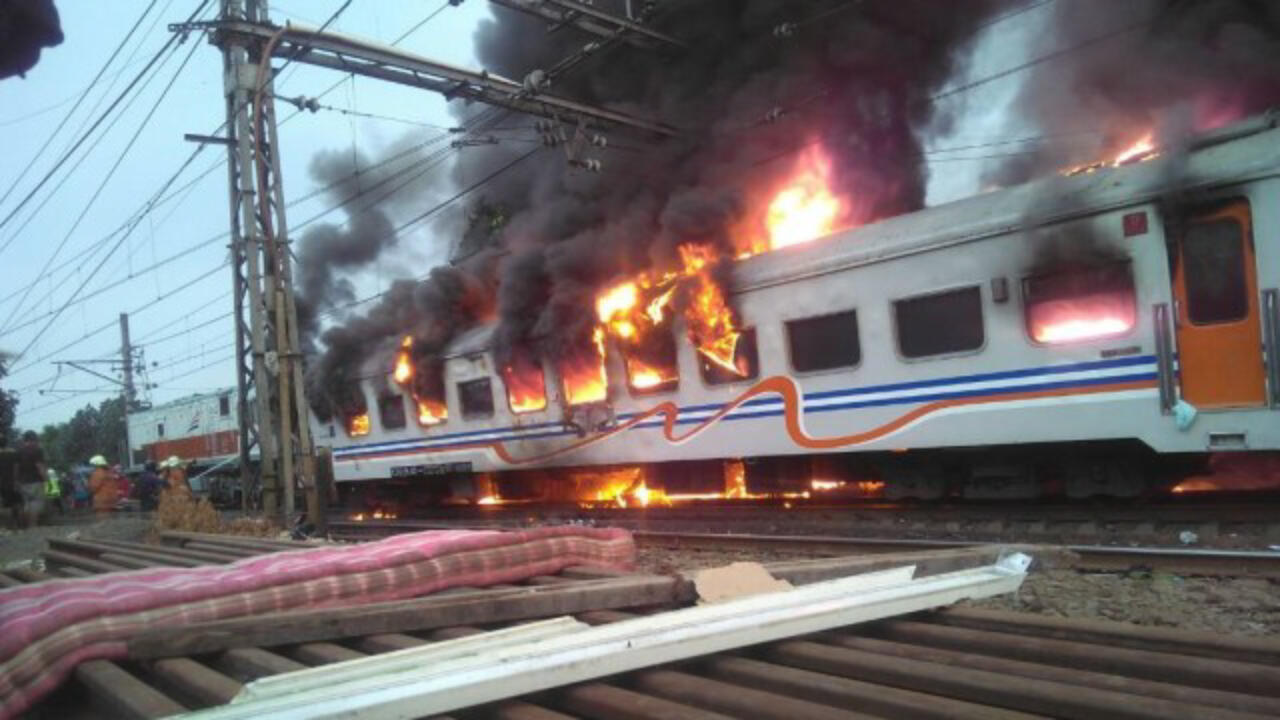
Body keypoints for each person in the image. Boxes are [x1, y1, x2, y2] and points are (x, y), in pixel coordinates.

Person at [15, 431, 48, 528]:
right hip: (35, 481)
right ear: (33, 440)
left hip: (23, 482)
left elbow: (16, 468)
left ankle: (24, 526)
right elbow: (40, 466)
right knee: (36, 503)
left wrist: (16, 480)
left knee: (26, 504)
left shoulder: (18, 451)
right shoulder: (37, 450)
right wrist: (46, 479)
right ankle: (33, 525)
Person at [0, 435, 19, 529]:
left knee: (5, 503)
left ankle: (6, 525)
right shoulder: (13, 453)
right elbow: (16, 468)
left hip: (2, 482)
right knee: (14, 503)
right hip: (11, 482)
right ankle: (14, 524)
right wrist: (16, 481)